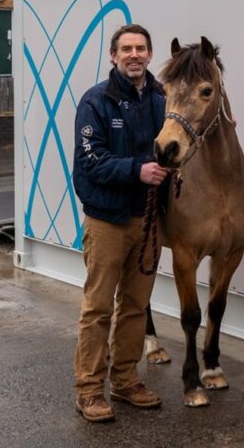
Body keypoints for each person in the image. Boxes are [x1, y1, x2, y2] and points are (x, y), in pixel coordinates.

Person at [72, 23, 170, 423]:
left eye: (141, 48)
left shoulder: (164, 98)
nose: (134, 55)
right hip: (108, 221)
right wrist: (137, 170)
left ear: (150, 54)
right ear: (113, 55)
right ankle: (89, 390)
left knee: (135, 306)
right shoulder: (96, 101)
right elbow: (90, 160)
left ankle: (126, 381)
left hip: (149, 222)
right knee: (98, 308)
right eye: (126, 48)